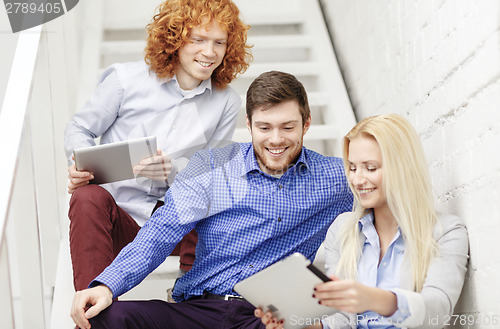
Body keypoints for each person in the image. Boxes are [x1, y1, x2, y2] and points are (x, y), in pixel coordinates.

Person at [69, 70, 354, 329]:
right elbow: (160, 232)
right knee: (105, 319)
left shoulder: (338, 179)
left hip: (267, 318)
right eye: (264, 127)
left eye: (287, 127)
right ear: (249, 124)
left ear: (306, 124)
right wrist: (106, 286)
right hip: (199, 309)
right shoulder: (210, 166)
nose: (276, 139)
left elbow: (386, 192)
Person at [64, 0, 252, 292]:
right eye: (198, 39)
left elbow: (213, 173)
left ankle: (195, 303)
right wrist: (78, 164)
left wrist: (173, 170)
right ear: (175, 39)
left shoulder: (226, 101)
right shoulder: (125, 81)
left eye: (219, 42)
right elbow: (80, 128)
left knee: (216, 194)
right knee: (87, 197)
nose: (209, 52)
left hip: (174, 227)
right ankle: (93, 312)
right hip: (119, 219)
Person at [256, 114, 469, 329]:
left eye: (371, 167)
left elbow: (438, 311)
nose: (357, 180)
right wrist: (299, 325)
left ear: (403, 168)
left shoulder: (445, 231)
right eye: (353, 167)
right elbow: (341, 319)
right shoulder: (342, 229)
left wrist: (372, 298)